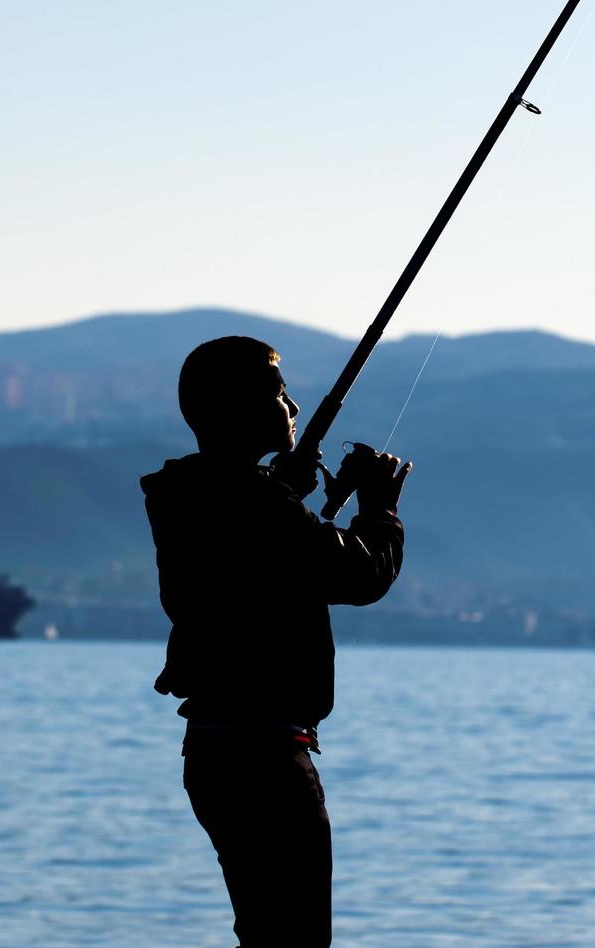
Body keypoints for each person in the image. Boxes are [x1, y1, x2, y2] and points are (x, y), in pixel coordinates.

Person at [141, 335, 409, 946]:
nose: (292, 405)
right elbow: (358, 575)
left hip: (218, 750)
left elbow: (259, 550)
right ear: (238, 409)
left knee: (266, 934)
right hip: (264, 757)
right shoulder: (254, 504)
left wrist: (281, 489)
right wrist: (380, 510)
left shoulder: (200, 494)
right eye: (277, 392)